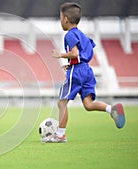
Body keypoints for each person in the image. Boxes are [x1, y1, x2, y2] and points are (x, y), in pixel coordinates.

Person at [47, 2, 125, 143]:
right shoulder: (82, 35)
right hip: (87, 71)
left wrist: (61, 55)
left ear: (65, 19)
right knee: (88, 104)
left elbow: (75, 52)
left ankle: (60, 135)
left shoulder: (70, 35)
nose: (60, 20)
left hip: (77, 72)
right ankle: (111, 109)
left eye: (60, 17)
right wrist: (72, 64)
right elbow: (84, 52)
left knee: (62, 102)